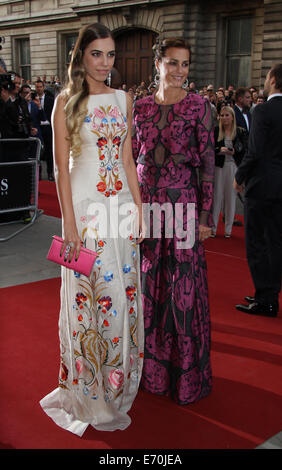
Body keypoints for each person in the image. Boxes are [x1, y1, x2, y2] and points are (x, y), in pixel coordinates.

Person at [40, 23, 144, 436]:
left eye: (110, 55)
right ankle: (90, 390)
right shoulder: (66, 101)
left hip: (119, 210)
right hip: (87, 213)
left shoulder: (124, 99)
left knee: (122, 297)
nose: (105, 63)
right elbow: (62, 171)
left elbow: (127, 158)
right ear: (81, 55)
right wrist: (69, 224)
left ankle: (118, 382)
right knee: (92, 300)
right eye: (97, 54)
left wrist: (139, 208)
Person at [132, 38, 214, 405]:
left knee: (181, 296)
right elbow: (131, 161)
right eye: (172, 63)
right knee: (150, 289)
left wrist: (206, 215)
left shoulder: (200, 106)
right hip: (148, 209)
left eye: (185, 64)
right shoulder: (140, 107)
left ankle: (183, 378)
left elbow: (209, 164)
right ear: (158, 65)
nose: (180, 71)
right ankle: (149, 373)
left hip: (183, 209)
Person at [233, 63, 282, 318]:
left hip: (262, 187)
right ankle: (268, 293)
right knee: (276, 243)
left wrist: (239, 176)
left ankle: (266, 299)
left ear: (273, 80)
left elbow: (256, 151)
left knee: (257, 244)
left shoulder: (262, 111)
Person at [211, 106, 248, 238]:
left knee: (230, 198)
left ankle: (228, 230)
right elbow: (210, 149)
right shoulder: (215, 131)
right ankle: (213, 229)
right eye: (222, 115)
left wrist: (234, 152)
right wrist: (218, 149)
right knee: (216, 197)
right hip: (218, 167)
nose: (224, 118)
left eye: (227, 115)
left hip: (233, 167)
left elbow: (244, 150)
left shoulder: (240, 132)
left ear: (232, 117)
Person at [35, 79, 55, 180]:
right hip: (38, 128)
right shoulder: (32, 99)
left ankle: (50, 172)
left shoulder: (50, 99)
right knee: (38, 151)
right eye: (37, 87)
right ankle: (38, 175)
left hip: (48, 128)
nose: (38, 89)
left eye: (40, 87)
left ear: (43, 87)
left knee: (49, 151)